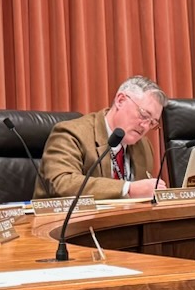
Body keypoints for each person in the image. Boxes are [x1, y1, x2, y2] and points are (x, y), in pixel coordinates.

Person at [37, 77, 166, 199]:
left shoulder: (143, 146)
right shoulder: (72, 134)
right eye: (144, 115)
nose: (145, 126)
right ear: (120, 101)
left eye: (152, 123)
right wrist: (127, 188)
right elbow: (62, 183)